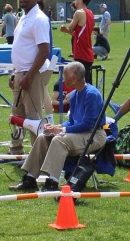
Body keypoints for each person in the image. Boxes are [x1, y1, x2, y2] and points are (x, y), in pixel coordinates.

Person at [12, 61, 106, 192]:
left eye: (65, 76)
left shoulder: (92, 95)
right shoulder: (74, 95)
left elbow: (88, 124)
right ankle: (30, 178)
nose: (63, 80)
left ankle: (52, 182)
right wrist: (56, 127)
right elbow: (72, 121)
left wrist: (61, 129)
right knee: (43, 137)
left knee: (58, 140)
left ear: (74, 79)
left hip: (94, 135)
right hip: (80, 133)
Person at [9, 0, 52, 154]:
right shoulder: (24, 17)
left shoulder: (39, 19)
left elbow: (44, 51)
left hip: (32, 74)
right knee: (17, 114)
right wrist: (15, 72)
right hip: (21, 72)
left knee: (33, 117)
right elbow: (21, 47)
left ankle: (38, 154)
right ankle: (16, 150)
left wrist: (29, 76)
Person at [63, 0, 95, 81]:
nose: (75, 0)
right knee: (87, 85)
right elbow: (79, 35)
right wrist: (66, 31)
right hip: (87, 54)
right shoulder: (90, 13)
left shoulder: (79, 12)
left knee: (80, 85)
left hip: (82, 54)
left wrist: (67, 28)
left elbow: (70, 28)